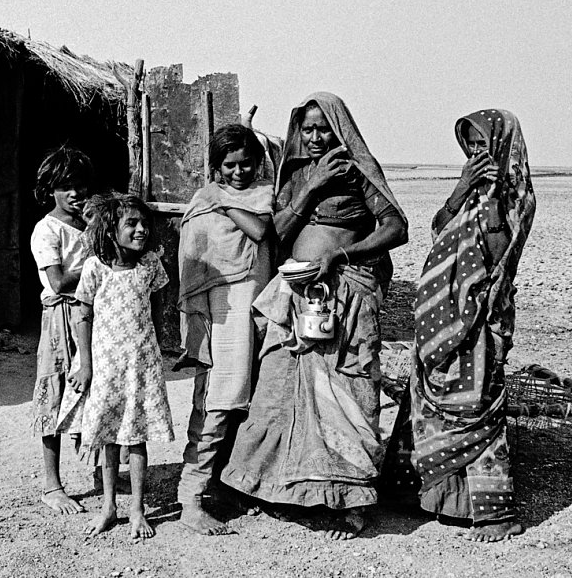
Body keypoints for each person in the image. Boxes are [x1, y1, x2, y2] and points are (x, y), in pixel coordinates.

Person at [219, 92, 408, 540]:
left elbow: (396, 228)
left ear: (340, 128)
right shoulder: (298, 173)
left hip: (346, 298)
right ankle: (271, 488)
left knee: (346, 394)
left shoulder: (359, 168)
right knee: (279, 390)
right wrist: (311, 188)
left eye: (325, 128)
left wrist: (342, 254)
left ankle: (352, 503)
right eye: (309, 129)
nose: (317, 137)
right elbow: (278, 233)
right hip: (294, 297)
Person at [390, 109, 535, 542]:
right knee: (427, 397)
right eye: (470, 146)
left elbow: (497, 252)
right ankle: (430, 497)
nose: (476, 153)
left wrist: (487, 196)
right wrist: (462, 188)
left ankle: (494, 514)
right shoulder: (467, 190)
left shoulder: (517, 197)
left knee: (476, 405)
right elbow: (439, 229)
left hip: (480, 316)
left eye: (483, 144)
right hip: (440, 315)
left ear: (503, 146)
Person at [176, 124, 276, 535]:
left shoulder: (264, 197)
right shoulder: (203, 201)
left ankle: (228, 483)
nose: (238, 173)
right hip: (220, 315)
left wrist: (224, 201)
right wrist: (217, 200)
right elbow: (192, 259)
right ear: (215, 168)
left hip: (256, 310)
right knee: (217, 400)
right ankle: (191, 498)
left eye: (246, 164)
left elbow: (261, 230)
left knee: (251, 401)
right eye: (229, 166)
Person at [68, 193, 175, 538]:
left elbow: (156, 307)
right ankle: (109, 506)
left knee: (138, 437)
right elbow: (82, 315)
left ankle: (138, 510)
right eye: (132, 223)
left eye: (145, 223)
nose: (141, 229)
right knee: (109, 438)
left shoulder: (150, 266)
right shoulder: (95, 267)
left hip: (141, 366)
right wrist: (86, 365)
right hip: (106, 368)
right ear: (111, 230)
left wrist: (154, 345)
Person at [29, 146, 94, 514]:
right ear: (49, 189)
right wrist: (98, 264)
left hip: (91, 315)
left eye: (80, 186)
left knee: (95, 385)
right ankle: (52, 485)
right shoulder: (46, 230)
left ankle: (103, 472)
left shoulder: (91, 226)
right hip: (60, 319)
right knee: (55, 391)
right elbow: (57, 282)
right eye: (65, 186)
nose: (74, 194)